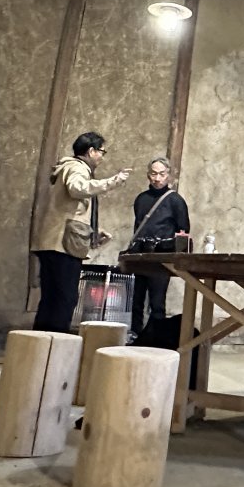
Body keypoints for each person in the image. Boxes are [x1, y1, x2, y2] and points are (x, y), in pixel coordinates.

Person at [30, 132, 131, 333]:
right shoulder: (77, 167)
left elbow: (71, 210)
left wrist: (92, 232)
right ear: (91, 151)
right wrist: (113, 181)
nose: (102, 157)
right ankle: (56, 343)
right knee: (65, 299)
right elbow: (77, 188)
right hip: (62, 245)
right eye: (102, 152)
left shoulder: (68, 167)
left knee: (52, 299)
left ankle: (41, 344)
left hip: (54, 242)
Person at [129, 157, 190, 339]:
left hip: (161, 256)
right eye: (154, 174)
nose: (157, 178)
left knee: (157, 302)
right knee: (136, 301)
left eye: (162, 174)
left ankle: (156, 339)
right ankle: (135, 335)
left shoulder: (176, 200)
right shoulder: (141, 199)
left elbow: (183, 230)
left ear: (168, 175)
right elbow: (137, 227)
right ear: (148, 175)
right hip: (141, 255)